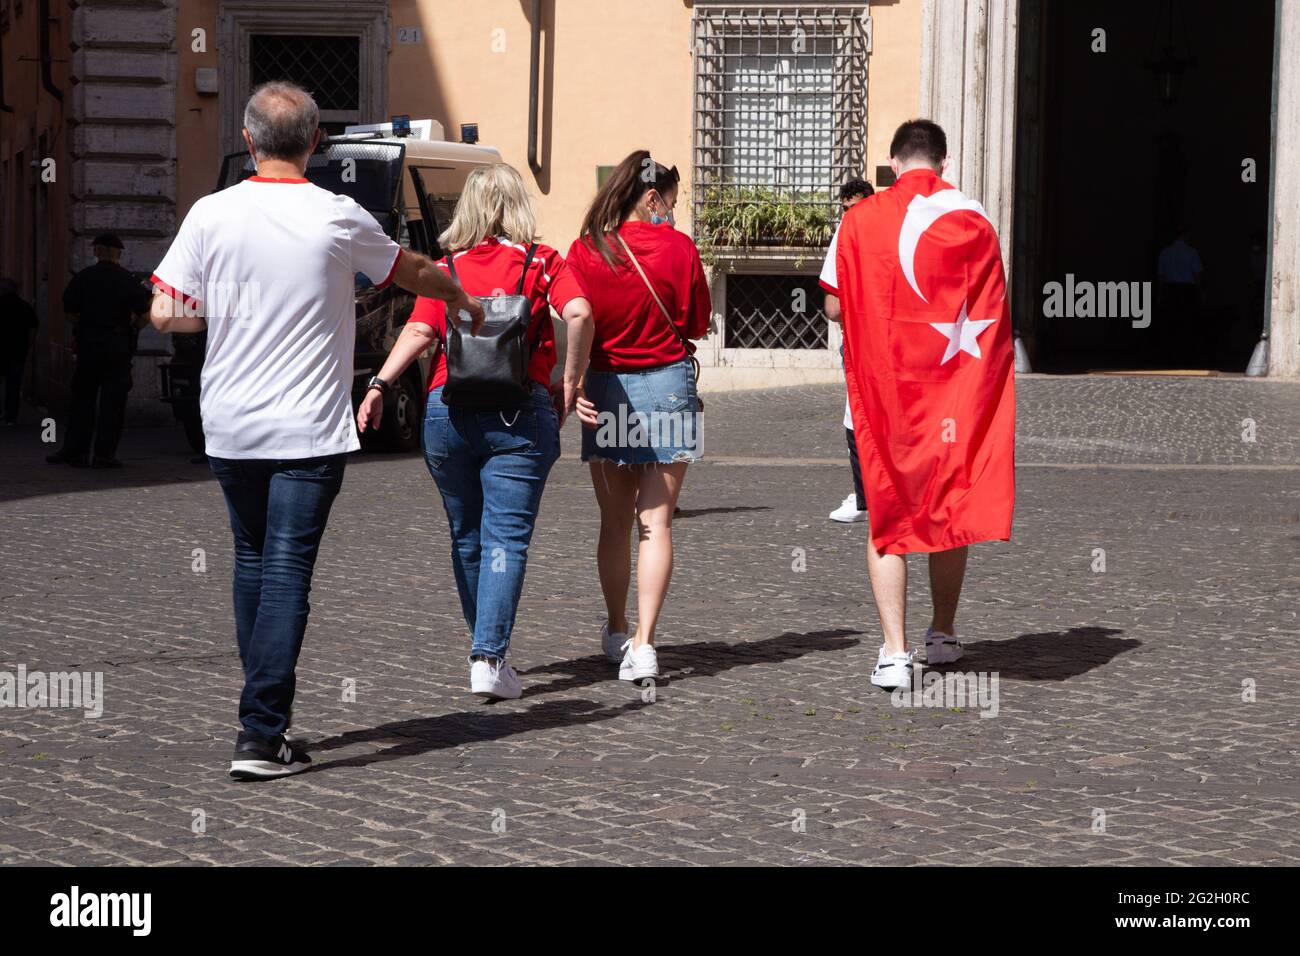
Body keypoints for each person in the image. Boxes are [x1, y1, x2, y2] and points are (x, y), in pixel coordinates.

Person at [148, 81, 484, 779]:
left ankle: (265, 724)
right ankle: (260, 732)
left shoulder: (210, 214)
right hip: (306, 430)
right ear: (313, 144)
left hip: (231, 428)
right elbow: (407, 269)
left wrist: (225, 312)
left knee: (251, 564)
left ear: (247, 140)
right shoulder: (336, 214)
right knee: (285, 576)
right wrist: (456, 294)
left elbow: (164, 313)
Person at [356, 163, 593, 701]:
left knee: (467, 538)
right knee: (505, 537)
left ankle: (487, 651)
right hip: (517, 412)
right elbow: (578, 314)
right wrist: (570, 381)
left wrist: (379, 385)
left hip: (446, 409)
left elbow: (420, 330)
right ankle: (488, 657)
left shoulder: (446, 268)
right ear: (518, 207)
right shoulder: (542, 261)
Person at [823, 119, 1015, 690]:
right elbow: (991, 314)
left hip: (883, 399)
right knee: (947, 512)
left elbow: (833, 310)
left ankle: (894, 651)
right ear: (944, 161)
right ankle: (943, 632)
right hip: (954, 398)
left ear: (893, 161)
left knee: (888, 517)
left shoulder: (857, 220)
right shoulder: (975, 218)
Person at [567, 150, 711, 682]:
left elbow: (576, 318)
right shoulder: (679, 247)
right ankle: (645, 645)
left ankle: (616, 626)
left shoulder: (587, 249)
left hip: (607, 389)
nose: (671, 212)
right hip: (669, 385)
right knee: (657, 523)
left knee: (614, 523)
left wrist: (574, 379)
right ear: (651, 198)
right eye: (670, 202)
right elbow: (696, 320)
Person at [46, 234, 152, 466]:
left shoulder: (83, 278)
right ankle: (104, 454)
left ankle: (75, 450)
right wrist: (130, 329)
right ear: (118, 254)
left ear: (96, 251)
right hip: (117, 346)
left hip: (89, 344)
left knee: (82, 398)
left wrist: (87, 325)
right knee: (113, 403)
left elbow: (70, 313)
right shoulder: (128, 280)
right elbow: (145, 315)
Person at [824, 179, 874, 523]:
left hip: (862, 341)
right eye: (843, 210)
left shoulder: (847, 235)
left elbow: (834, 307)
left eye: (851, 208)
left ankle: (865, 497)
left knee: (857, 416)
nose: (846, 216)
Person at [1156, 227, 1204, 367]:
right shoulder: (1191, 252)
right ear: (1185, 236)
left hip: (1170, 290)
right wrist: (1200, 291)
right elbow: (1197, 274)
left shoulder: (1165, 253)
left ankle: (1171, 356)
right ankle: (1187, 357)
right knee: (1188, 324)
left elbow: (1161, 276)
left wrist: (1160, 295)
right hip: (1187, 290)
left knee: (1172, 325)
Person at [0, 278, 38, 426]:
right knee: (14, 385)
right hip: (17, 351)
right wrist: (28, 343)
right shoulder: (24, 306)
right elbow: (34, 326)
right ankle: (11, 416)